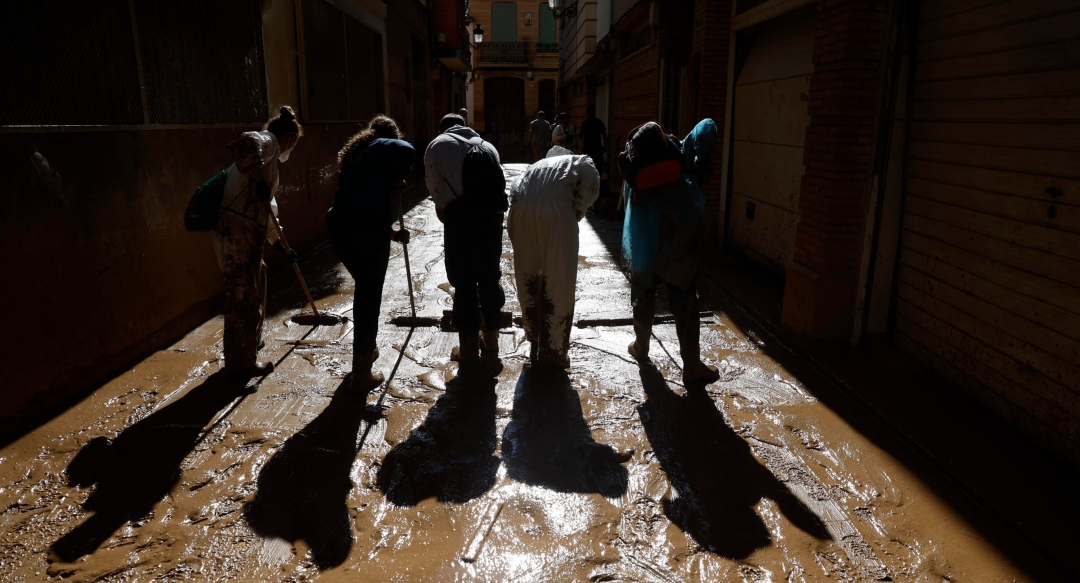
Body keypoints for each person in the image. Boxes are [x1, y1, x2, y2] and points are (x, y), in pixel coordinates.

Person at [621, 120, 720, 384]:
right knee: (685, 301)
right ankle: (691, 368)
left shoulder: (635, 169)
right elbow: (708, 127)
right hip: (678, 240)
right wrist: (701, 156)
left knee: (644, 292)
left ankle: (641, 347)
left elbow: (627, 211)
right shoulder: (680, 155)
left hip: (645, 244)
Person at [213, 105, 303, 379]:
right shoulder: (268, 141)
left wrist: (281, 247)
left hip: (245, 230)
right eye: (294, 142)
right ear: (288, 137)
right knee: (242, 295)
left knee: (254, 283)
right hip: (238, 231)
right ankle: (240, 364)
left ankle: (248, 347)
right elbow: (246, 142)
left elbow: (268, 211)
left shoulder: (270, 160)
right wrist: (256, 174)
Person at [327, 115, 415, 391]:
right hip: (361, 231)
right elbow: (408, 151)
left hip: (341, 228)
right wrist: (398, 173)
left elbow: (361, 208)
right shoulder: (381, 147)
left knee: (365, 286)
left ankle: (367, 349)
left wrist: (391, 234)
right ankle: (362, 370)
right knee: (368, 294)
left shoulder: (358, 156)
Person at [425, 113, 507, 374]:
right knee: (489, 279)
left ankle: (469, 351)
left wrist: (448, 215)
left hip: (460, 222)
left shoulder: (437, 145)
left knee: (464, 283)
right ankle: (492, 352)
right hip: (492, 221)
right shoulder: (487, 146)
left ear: (443, 128)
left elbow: (436, 192)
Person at [507, 146, 600, 368]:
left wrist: (517, 237)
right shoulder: (578, 160)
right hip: (557, 213)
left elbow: (515, 193)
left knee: (528, 277)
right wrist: (578, 209)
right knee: (559, 282)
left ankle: (534, 336)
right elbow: (592, 181)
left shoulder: (532, 169)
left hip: (521, 215)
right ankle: (554, 352)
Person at [580, 104, 608, 177]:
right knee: (589, 165)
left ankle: (597, 180)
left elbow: (604, 134)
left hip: (596, 148)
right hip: (589, 148)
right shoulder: (586, 123)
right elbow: (581, 137)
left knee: (597, 165)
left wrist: (605, 145)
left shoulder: (597, 122)